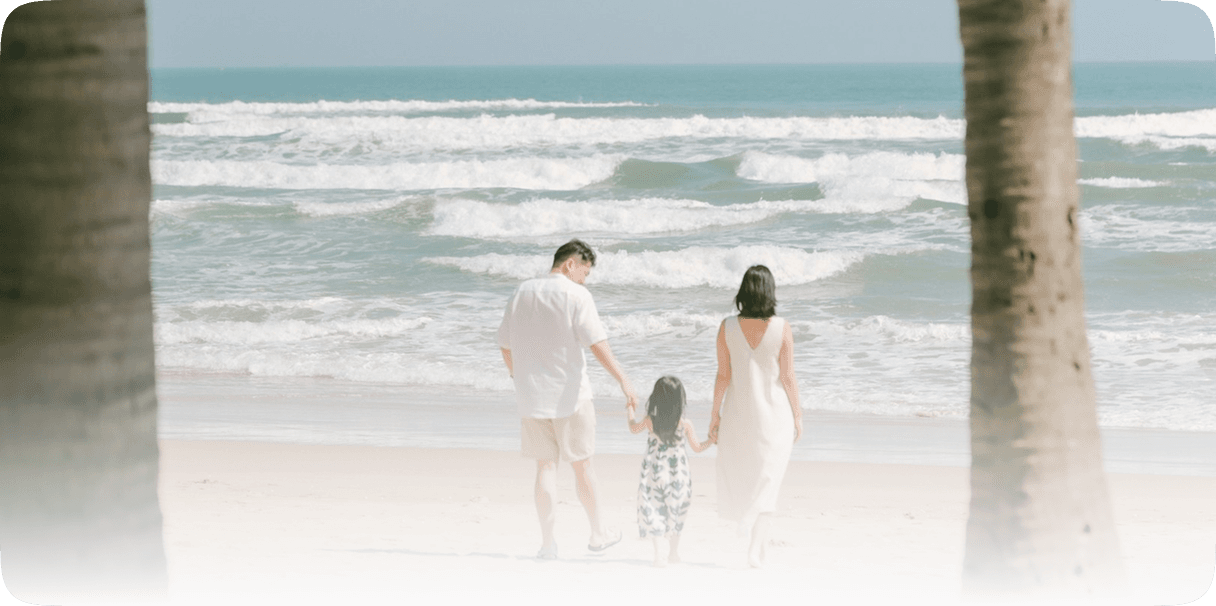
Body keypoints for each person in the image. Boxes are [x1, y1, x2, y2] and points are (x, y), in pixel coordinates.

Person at [497, 238, 638, 560]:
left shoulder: (521, 292)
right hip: (570, 397)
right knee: (582, 466)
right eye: (584, 272)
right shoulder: (576, 294)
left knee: (545, 467)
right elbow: (597, 343)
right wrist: (624, 380)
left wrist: (518, 378)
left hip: (531, 397)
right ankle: (598, 535)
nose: (584, 280)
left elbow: (505, 345)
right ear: (570, 264)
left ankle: (547, 545)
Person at [707, 264, 803, 568]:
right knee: (769, 481)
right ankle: (752, 536)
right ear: (769, 292)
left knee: (751, 477)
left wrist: (715, 414)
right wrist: (798, 416)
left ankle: (758, 550)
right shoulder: (782, 327)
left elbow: (723, 376)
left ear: (744, 292)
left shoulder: (726, 327)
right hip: (775, 417)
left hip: (738, 414)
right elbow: (787, 377)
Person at [627, 376, 713, 568]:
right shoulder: (685, 424)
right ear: (680, 401)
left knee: (654, 509)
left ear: (656, 398)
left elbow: (633, 428)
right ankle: (673, 553)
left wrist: (630, 408)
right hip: (678, 475)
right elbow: (697, 447)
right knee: (677, 509)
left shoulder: (650, 421)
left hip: (654, 472)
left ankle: (659, 554)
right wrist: (712, 440)